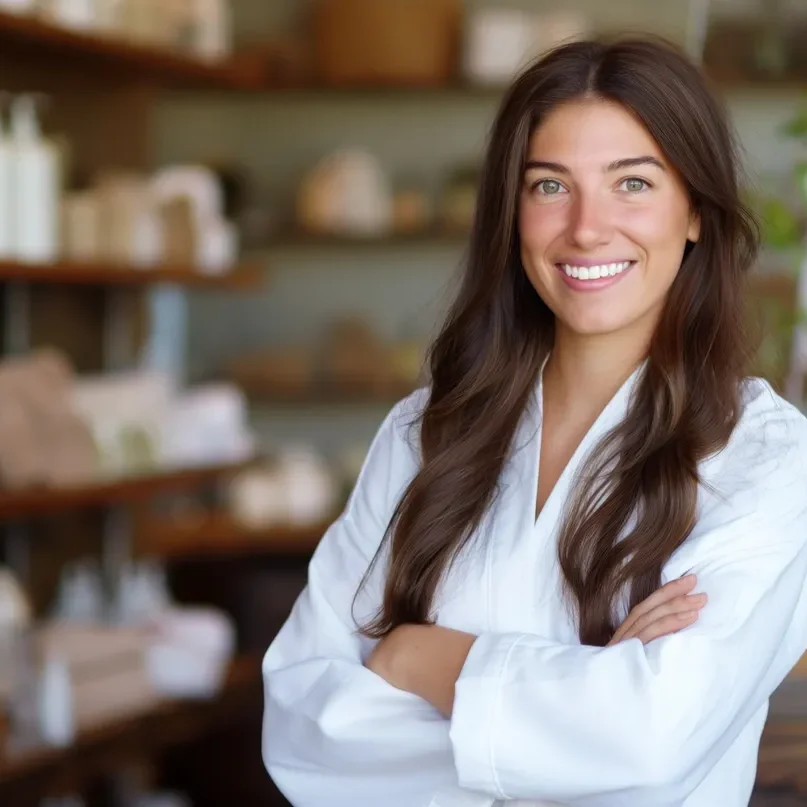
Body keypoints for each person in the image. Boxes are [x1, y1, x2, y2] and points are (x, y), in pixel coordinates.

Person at [261, 35, 807, 807]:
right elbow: (301, 722)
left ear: (694, 212)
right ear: (511, 213)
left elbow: (648, 741)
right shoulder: (425, 433)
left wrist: (415, 658)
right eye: (550, 186)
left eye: (632, 183)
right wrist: (575, 700)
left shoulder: (760, 454)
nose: (586, 227)